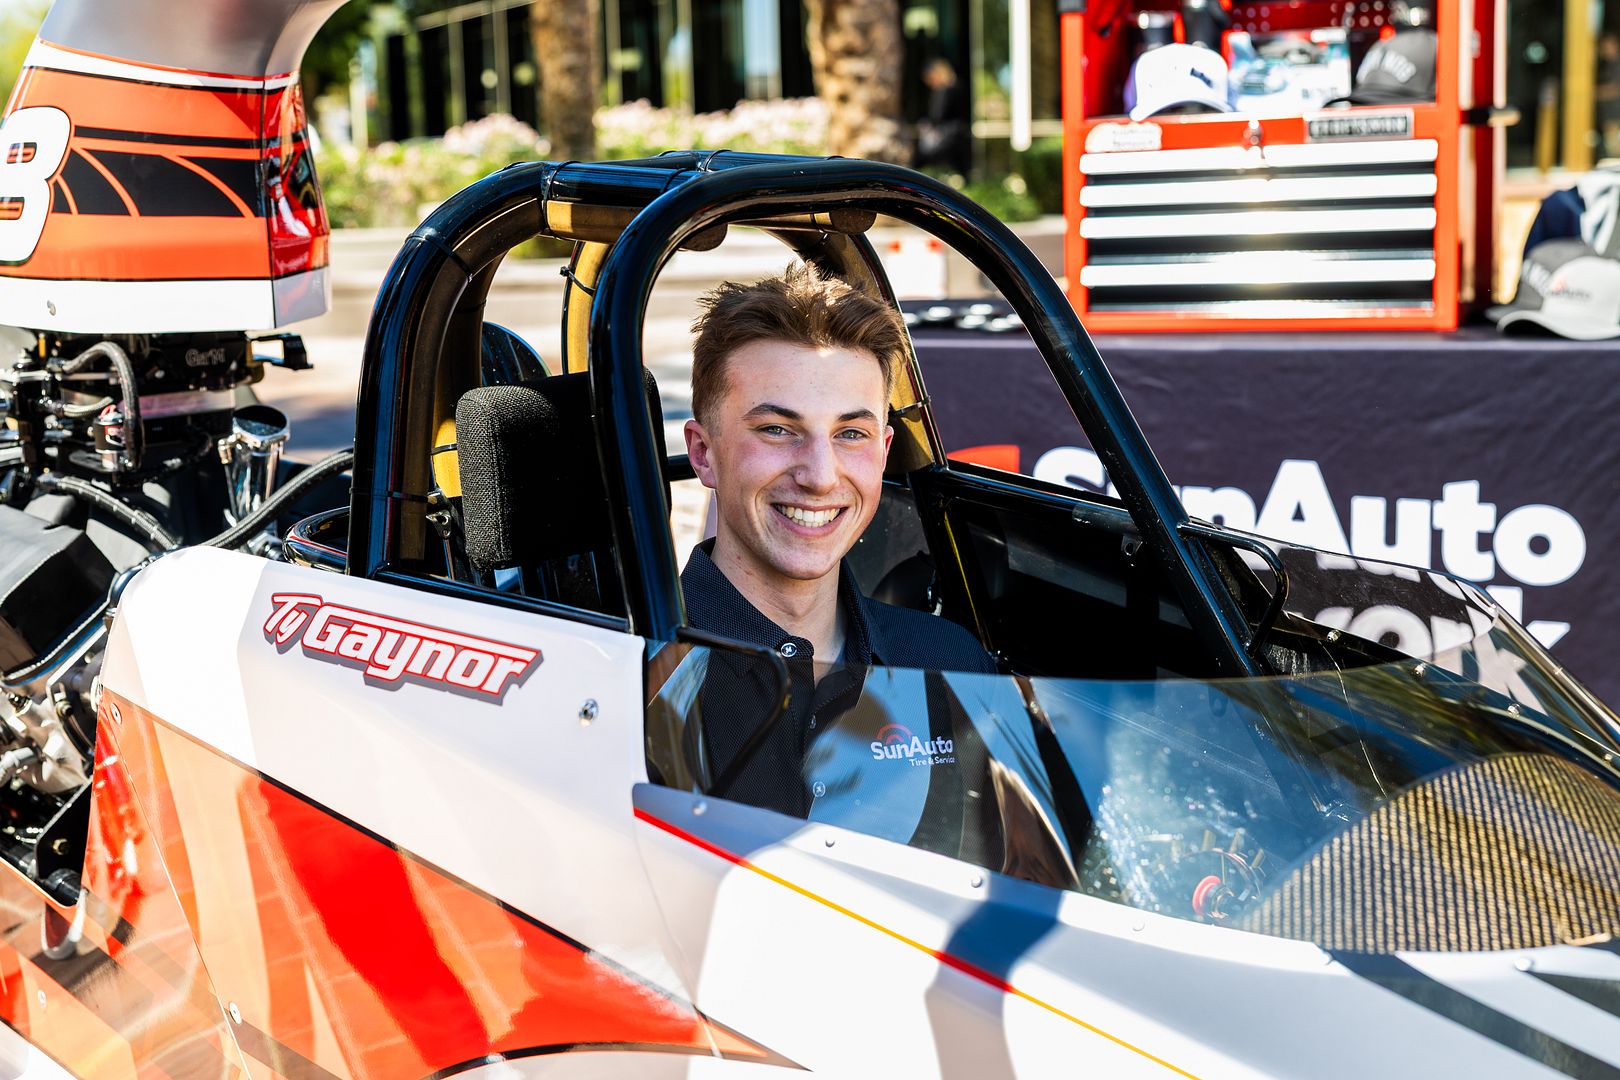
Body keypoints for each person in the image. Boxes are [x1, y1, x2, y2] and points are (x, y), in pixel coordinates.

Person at [678, 263, 995, 816]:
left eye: (851, 434)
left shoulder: (953, 664)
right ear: (704, 453)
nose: (821, 475)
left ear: (883, 449)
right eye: (777, 429)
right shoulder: (635, 673)